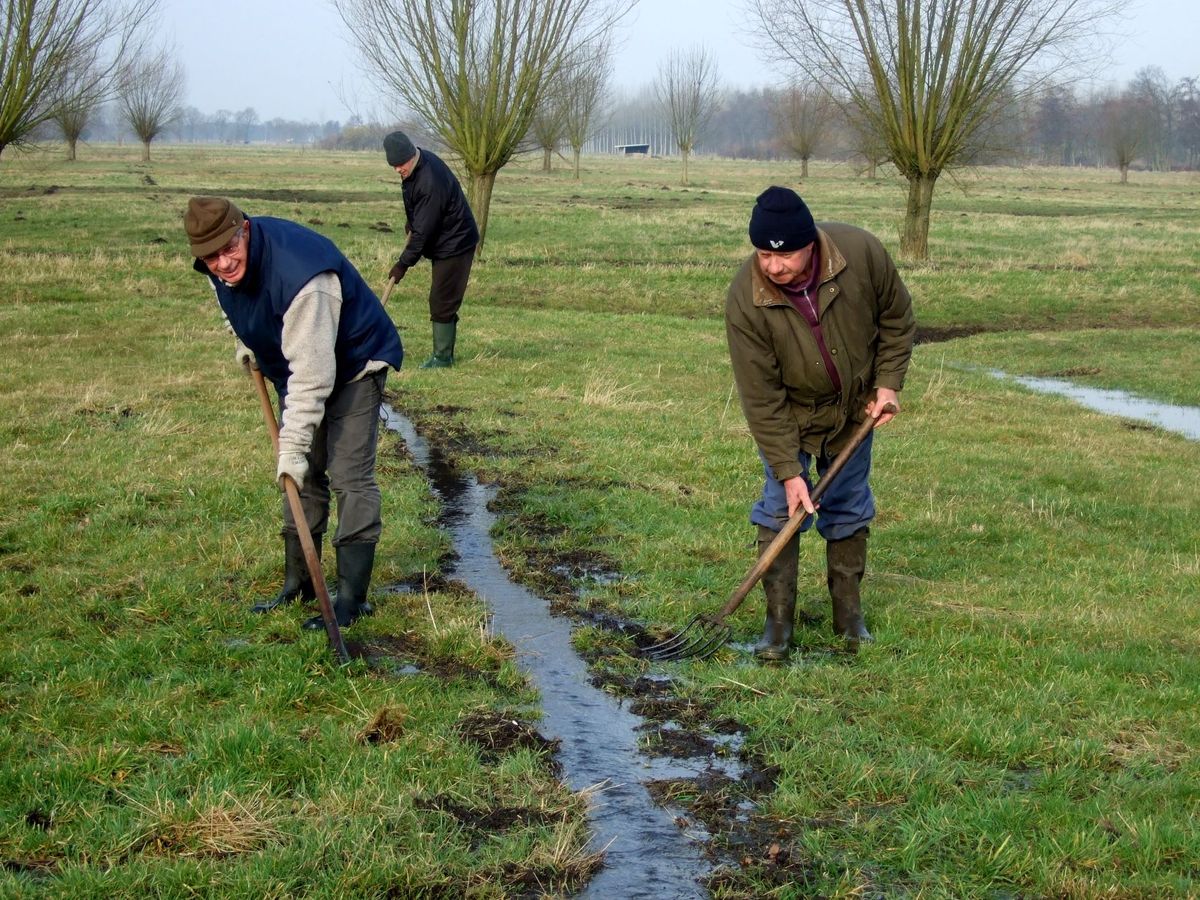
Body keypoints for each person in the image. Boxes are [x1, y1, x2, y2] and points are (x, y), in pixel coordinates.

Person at [184, 196, 404, 631]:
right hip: (301, 365)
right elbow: (236, 306)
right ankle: (298, 584)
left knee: (347, 475)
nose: (223, 264)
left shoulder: (304, 277)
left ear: (243, 229)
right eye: (211, 258)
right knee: (304, 477)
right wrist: (247, 339)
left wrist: (293, 445)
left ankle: (350, 601)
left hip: (355, 363)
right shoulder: (217, 268)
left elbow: (313, 375)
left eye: (229, 249)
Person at [725, 186, 915, 660]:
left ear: (810, 242)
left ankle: (849, 621)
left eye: (785, 254)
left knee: (848, 506)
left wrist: (888, 382)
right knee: (779, 510)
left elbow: (897, 318)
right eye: (764, 255)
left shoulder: (861, 254)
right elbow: (760, 396)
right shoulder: (745, 299)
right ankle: (777, 629)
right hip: (790, 413)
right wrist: (790, 472)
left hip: (855, 410)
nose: (773, 267)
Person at [383, 131, 479, 369]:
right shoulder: (416, 166)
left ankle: (442, 357)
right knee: (443, 297)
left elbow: (423, 234)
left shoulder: (429, 179)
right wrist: (413, 221)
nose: (397, 170)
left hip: (456, 241)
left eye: (400, 164)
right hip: (446, 237)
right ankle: (444, 353)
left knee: (441, 299)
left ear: (410, 155)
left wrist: (402, 264)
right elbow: (420, 212)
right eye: (393, 165)